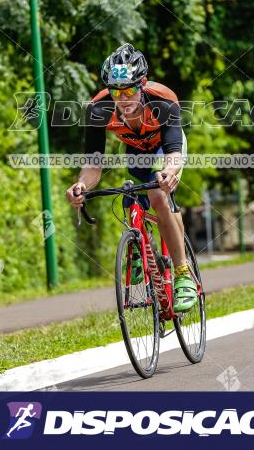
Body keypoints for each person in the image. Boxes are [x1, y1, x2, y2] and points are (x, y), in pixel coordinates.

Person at [65, 43, 196, 313]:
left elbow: (173, 153)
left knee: (159, 194)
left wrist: (170, 173)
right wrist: (80, 185)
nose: (123, 98)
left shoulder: (162, 100)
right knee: (130, 195)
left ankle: (183, 273)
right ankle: (141, 250)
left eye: (129, 90)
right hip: (137, 150)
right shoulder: (99, 109)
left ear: (142, 84)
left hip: (165, 148)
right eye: (116, 91)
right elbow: (93, 164)